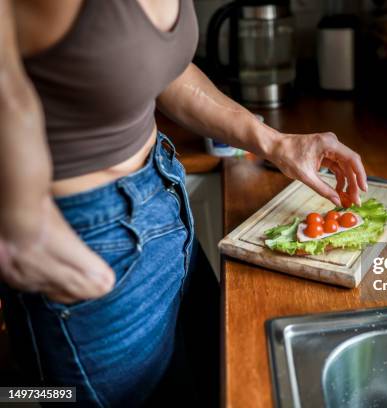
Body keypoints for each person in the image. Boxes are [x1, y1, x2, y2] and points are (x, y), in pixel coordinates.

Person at [0, 0, 367, 406]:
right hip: (85, 237)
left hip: (163, 195)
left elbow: (162, 71)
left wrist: (276, 143)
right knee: (46, 398)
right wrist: (19, 219)